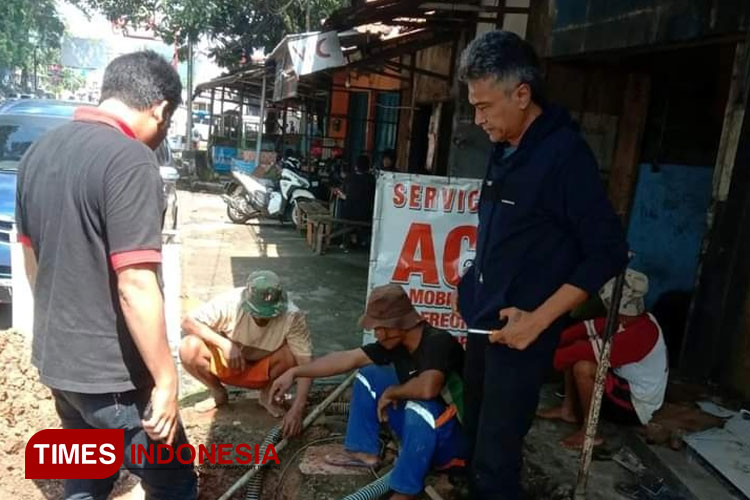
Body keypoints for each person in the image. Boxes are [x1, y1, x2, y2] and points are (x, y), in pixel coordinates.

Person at [453, 31, 628, 499]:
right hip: (483, 323)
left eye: (486, 106)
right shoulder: (505, 147)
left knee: (497, 455)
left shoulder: (565, 157)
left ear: (522, 94)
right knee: (474, 435)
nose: (478, 118)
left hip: (523, 332)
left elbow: (608, 251)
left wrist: (538, 321)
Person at [15, 51, 197, 498]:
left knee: (87, 477)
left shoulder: (40, 152)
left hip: (60, 364)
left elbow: (32, 259)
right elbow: (136, 283)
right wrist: (167, 379)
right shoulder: (130, 161)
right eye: (167, 122)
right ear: (160, 109)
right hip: (113, 379)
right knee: (173, 483)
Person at [270, 284, 465, 500]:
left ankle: (404, 490)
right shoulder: (395, 345)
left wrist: (392, 392)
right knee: (368, 374)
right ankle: (362, 451)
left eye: (380, 327)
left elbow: (429, 388)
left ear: (399, 324)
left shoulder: (437, 341)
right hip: (420, 431)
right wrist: (295, 372)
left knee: (421, 407)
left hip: (453, 442)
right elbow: (348, 358)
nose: (376, 333)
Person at [538, 270, 668, 448]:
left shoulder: (642, 333)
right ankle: (568, 410)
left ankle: (590, 432)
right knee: (579, 348)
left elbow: (578, 352)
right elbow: (585, 329)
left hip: (636, 406)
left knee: (583, 365)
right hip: (623, 385)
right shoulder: (630, 320)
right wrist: (542, 340)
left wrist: (533, 363)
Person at [180, 270, 312, 437]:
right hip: (230, 364)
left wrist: (297, 408)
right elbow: (187, 322)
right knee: (189, 347)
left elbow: (306, 364)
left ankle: (267, 395)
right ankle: (217, 392)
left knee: (294, 354)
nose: (263, 319)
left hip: (265, 369)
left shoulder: (292, 316)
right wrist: (224, 344)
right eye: (257, 314)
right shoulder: (230, 302)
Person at [333, 154, 376, 250]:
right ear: (368, 166)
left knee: (341, 204)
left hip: (349, 213)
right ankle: (356, 239)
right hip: (366, 214)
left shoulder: (350, 178)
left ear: (356, 166)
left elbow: (347, 196)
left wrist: (342, 195)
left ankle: (346, 241)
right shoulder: (371, 179)